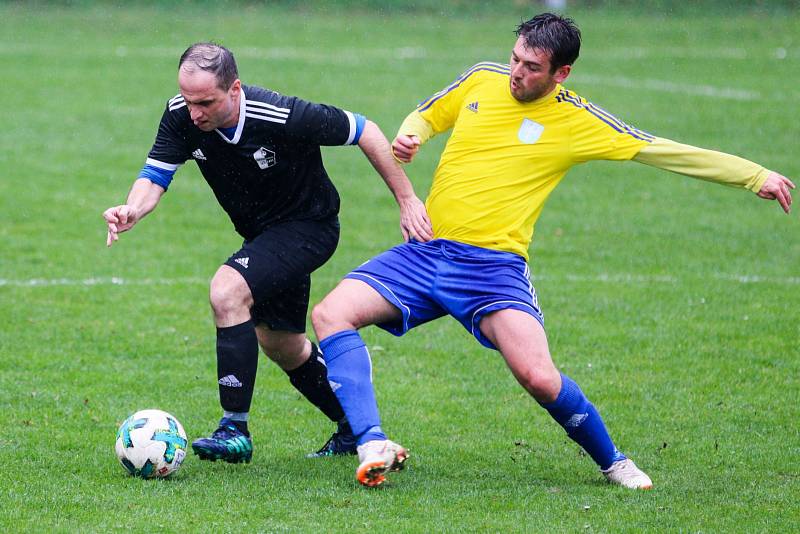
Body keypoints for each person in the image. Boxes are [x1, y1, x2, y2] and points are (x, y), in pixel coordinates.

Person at [311, 13, 795, 488]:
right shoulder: (483, 79)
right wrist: (412, 132)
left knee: (539, 378)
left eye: (532, 67)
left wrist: (755, 176)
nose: (517, 73)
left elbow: (658, 149)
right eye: (515, 58)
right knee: (332, 314)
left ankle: (614, 462)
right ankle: (372, 442)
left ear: (561, 73)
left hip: (492, 270)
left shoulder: (577, 119)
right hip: (426, 252)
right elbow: (430, 110)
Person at [103, 43, 432, 464]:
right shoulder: (181, 115)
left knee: (227, 291)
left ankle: (234, 428)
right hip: (262, 236)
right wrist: (133, 208)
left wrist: (407, 201)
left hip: (309, 227)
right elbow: (156, 173)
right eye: (188, 101)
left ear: (235, 88)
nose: (195, 113)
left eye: (206, 102)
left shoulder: (281, 115)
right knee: (281, 342)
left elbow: (365, 130)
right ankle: (351, 426)